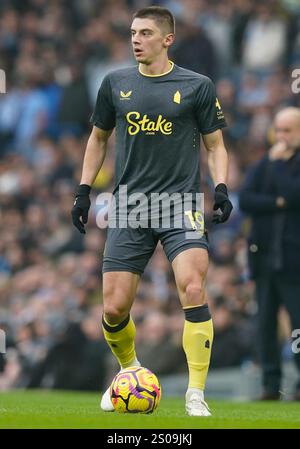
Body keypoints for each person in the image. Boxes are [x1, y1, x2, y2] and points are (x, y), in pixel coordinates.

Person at [71, 6, 232, 416]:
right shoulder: (115, 83)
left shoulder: (197, 85)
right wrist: (84, 191)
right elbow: (97, 138)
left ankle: (196, 393)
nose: (135, 40)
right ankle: (130, 371)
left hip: (180, 203)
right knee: (113, 308)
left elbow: (215, 144)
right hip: (129, 205)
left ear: (167, 39)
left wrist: (221, 187)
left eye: (144, 33)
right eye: (132, 32)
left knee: (193, 289)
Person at [239, 107, 300, 401]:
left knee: (298, 324)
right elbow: (247, 199)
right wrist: (278, 201)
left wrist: (278, 175)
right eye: (279, 129)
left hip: (294, 260)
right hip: (264, 259)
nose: (282, 136)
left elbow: (295, 194)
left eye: (288, 130)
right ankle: (270, 383)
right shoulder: (265, 163)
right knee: (265, 323)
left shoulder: (276, 163)